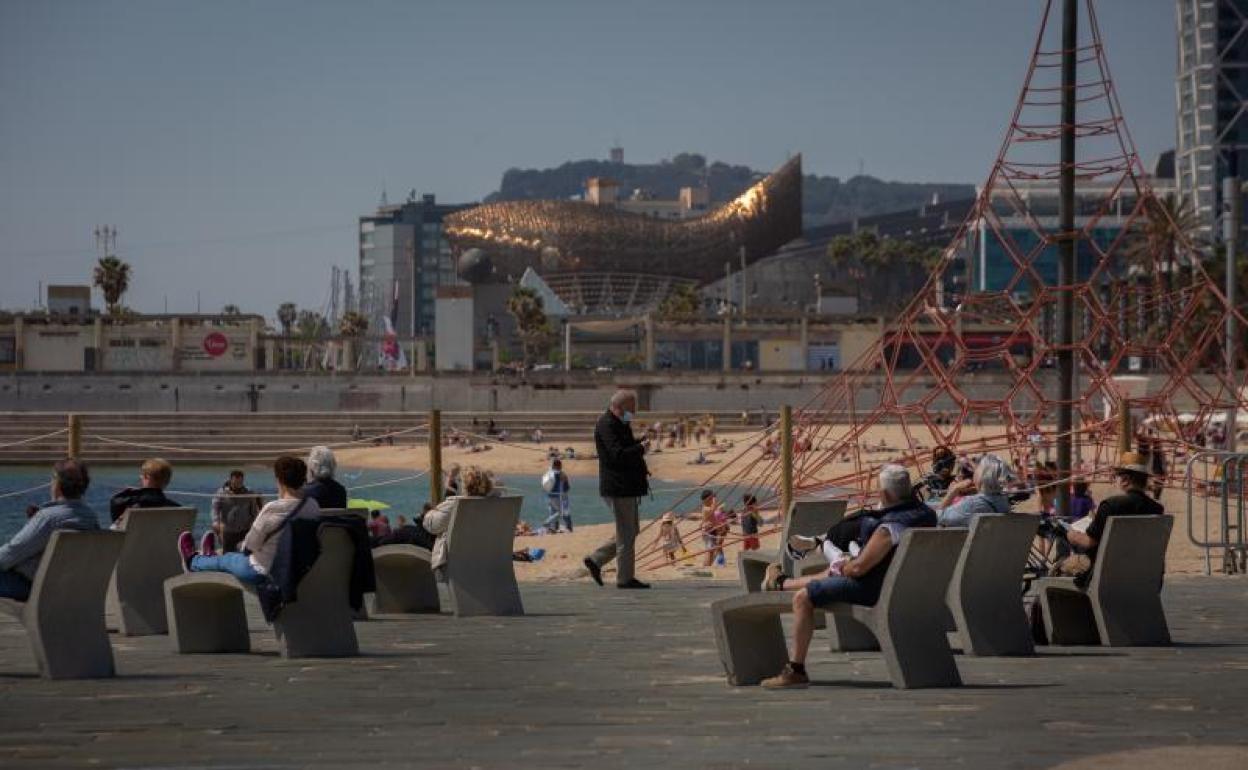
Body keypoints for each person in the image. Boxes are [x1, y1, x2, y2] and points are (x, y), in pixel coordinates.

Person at [759, 465, 936, 689]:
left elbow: (859, 569)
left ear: (885, 495)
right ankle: (781, 583)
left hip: (872, 590)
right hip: (911, 588)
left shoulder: (888, 528)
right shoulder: (926, 515)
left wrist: (845, 566)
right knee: (833, 572)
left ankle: (796, 670)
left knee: (803, 598)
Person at [179, 455, 321, 585]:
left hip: (262, 572)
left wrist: (243, 546)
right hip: (295, 568)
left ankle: (193, 561)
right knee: (230, 558)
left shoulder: (273, 509)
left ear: (279, 480)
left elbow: (250, 546)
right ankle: (208, 557)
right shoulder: (313, 505)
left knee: (227, 559)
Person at [1057, 451, 1165, 583]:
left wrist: (1071, 535)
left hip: (1109, 579)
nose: (1115, 480)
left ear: (1125, 480)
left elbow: (1089, 542)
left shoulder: (1111, 506)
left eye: (1116, 477)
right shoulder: (1157, 509)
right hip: (1148, 578)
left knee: (1061, 568)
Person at [0, 459, 100, 601]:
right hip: (69, 587)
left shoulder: (48, 518)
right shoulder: (91, 517)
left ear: (57, 484)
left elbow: (12, 552)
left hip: (33, 588)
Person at [583, 389, 651, 589]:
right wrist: (640, 449)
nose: (633, 413)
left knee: (630, 531)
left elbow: (626, 447)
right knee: (627, 533)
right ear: (619, 407)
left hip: (627, 486)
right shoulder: (606, 424)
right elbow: (617, 454)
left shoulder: (620, 423)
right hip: (618, 487)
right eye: (631, 409)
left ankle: (596, 559)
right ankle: (624, 578)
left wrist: (639, 443)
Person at [422, 466, 495, 578]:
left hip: (454, 562)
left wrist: (431, 511)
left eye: (460, 481)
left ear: (466, 485)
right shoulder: (495, 504)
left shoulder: (456, 506)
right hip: (485, 558)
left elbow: (431, 526)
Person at [936, 454, 1012, 527]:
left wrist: (954, 490)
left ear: (985, 476)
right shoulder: (1004, 501)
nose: (974, 473)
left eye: (977, 470)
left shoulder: (972, 503)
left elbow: (937, 517)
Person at [108, 457, 180, 524]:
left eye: (142, 475)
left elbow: (115, 513)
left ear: (146, 477)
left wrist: (126, 494)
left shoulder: (126, 504)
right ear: (167, 480)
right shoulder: (178, 509)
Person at [211, 469, 260, 554]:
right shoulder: (221, 492)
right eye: (235, 483)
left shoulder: (249, 492)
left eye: (240, 483)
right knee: (227, 553)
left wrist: (255, 524)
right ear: (231, 480)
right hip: (228, 530)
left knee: (245, 553)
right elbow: (215, 508)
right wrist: (215, 521)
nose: (238, 485)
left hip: (245, 529)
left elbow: (254, 510)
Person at [542, 459, 572, 533]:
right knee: (563, 512)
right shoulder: (562, 474)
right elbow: (567, 487)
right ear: (560, 466)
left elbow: (545, 484)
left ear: (553, 465)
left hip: (550, 495)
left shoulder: (549, 473)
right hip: (560, 496)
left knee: (553, 511)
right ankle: (568, 527)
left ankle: (554, 528)